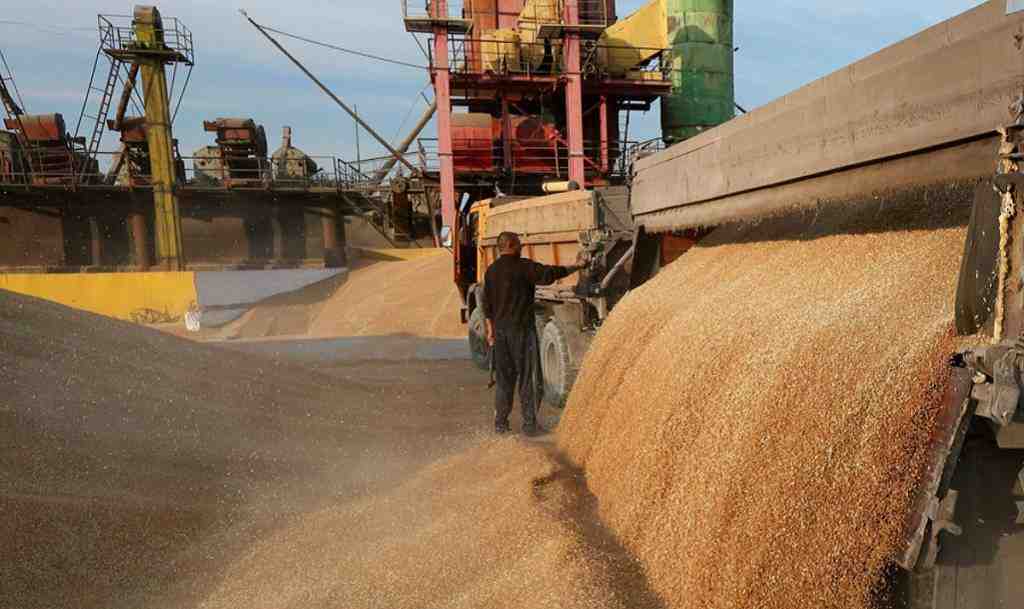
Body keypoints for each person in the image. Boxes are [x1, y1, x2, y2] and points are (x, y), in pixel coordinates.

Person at [481, 231, 585, 436]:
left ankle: (501, 425)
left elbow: (487, 305)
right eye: (519, 243)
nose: (521, 246)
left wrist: (490, 332)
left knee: (504, 380)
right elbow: (549, 274)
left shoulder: (491, 271)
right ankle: (529, 425)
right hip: (521, 331)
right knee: (528, 377)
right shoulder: (523, 266)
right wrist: (577, 266)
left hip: (500, 333)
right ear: (511, 245)